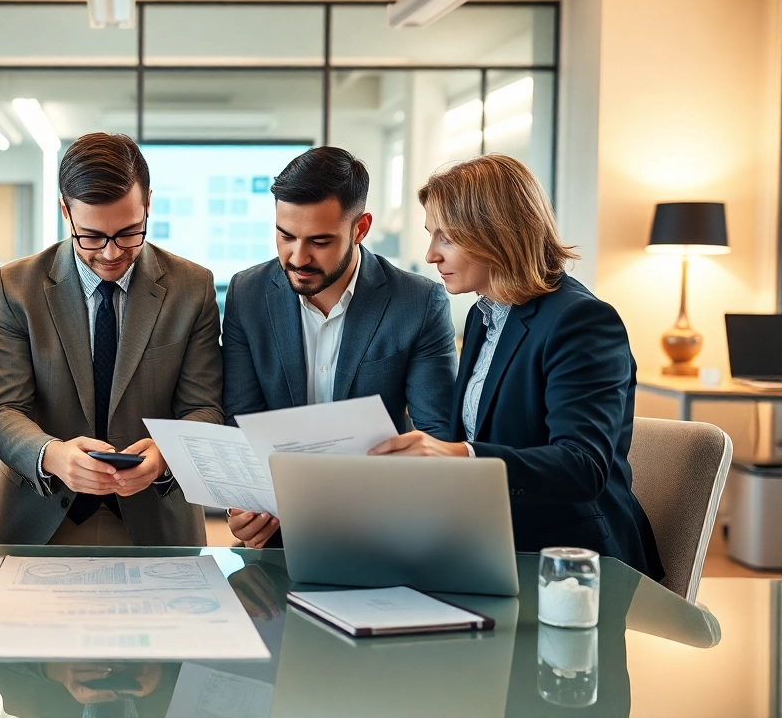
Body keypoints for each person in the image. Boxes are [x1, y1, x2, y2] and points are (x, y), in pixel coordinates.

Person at [370, 154, 664, 578]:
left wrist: (462, 456)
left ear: (496, 234)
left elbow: (582, 465)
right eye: (431, 236)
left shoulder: (580, 321)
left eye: (446, 238)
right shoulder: (484, 316)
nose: (431, 255)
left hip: (571, 566)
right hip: (491, 545)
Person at [0, 132, 224, 546]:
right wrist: (54, 456)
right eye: (91, 236)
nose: (111, 254)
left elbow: (205, 409)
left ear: (148, 204)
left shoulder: (192, 287)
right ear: (65, 211)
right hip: (37, 517)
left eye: (129, 232)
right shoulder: (17, 286)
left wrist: (165, 455)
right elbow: (1, 410)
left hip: (155, 518)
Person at [222, 146, 459, 549]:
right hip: (276, 531)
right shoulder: (247, 293)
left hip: (383, 529)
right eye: (285, 236)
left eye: (319, 241)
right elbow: (240, 420)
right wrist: (242, 506)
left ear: (360, 228)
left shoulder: (418, 303)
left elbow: (437, 435)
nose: (297, 257)